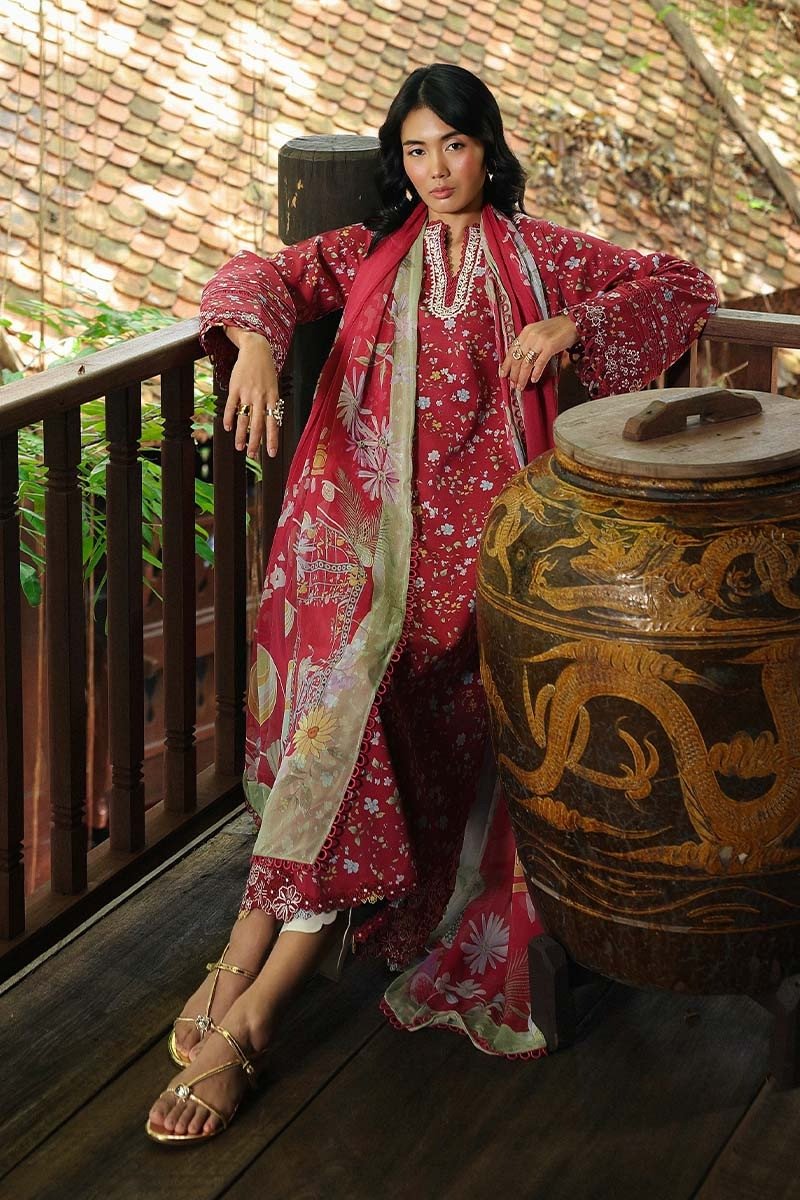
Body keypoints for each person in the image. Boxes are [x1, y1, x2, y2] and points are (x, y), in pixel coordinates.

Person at [146, 62, 718, 1143]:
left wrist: (574, 326)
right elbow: (255, 275)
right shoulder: (368, 251)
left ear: (486, 149)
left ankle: (252, 1006)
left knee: (348, 722)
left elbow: (681, 284)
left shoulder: (540, 254)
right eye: (415, 151)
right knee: (330, 714)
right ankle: (244, 963)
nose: (436, 169)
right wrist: (258, 342)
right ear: (397, 161)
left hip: (478, 563)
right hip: (356, 550)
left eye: (453, 145)